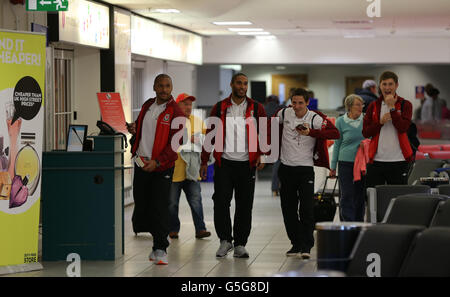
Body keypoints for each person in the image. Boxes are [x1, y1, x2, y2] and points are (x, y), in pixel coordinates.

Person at [200, 72, 266, 259]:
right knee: (220, 202)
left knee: (245, 205)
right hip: (225, 164)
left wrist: (262, 154)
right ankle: (225, 241)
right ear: (231, 84)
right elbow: (210, 134)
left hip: (247, 165)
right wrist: (204, 160)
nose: (242, 86)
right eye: (239, 83)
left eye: (245, 83)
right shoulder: (220, 107)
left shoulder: (256, 107)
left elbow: (264, 132)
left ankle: (240, 244)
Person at [274, 88, 339, 259]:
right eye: (294, 102)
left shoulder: (314, 118)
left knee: (306, 209)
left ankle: (306, 246)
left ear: (307, 103)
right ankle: (295, 243)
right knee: (287, 209)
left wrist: (311, 132)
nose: (296, 106)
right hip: (286, 169)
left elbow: (334, 133)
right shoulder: (284, 113)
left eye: (300, 103)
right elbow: (269, 125)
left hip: (305, 170)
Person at [127, 74, 185, 265]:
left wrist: (158, 162)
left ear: (171, 87)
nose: (164, 89)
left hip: (162, 167)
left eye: (167, 86)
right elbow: (143, 128)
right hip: (142, 164)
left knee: (160, 207)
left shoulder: (176, 112)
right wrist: (135, 129)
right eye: (160, 85)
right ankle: (158, 240)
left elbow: (174, 144)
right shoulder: (147, 105)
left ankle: (160, 248)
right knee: (143, 205)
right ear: (154, 87)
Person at [168, 93, 211, 240]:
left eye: (190, 104)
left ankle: (200, 229)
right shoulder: (172, 121)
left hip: (192, 167)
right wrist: (189, 139)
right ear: (177, 105)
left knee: (196, 200)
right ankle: (173, 229)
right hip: (175, 167)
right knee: (172, 202)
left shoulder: (198, 121)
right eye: (184, 104)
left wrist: (197, 139)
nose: (188, 107)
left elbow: (207, 139)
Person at [363, 71, 413, 188]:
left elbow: (403, 128)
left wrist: (392, 108)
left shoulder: (406, 104)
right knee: (374, 198)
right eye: (384, 84)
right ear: (380, 86)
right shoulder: (373, 105)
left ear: (396, 85)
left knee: (397, 197)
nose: (387, 87)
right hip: (376, 160)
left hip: (399, 160)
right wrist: (379, 123)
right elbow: (365, 132)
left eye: (390, 84)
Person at [330, 94, 366, 222]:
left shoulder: (366, 119)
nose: (361, 107)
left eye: (362, 104)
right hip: (345, 162)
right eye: (358, 104)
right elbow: (337, 144)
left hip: (362, 163)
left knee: (360, 194)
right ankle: (347, 222)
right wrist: (333, 166)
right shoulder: (340, 121)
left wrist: (366, 143)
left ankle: (358, 221)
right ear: (349, 107)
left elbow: (372, 138)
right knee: (346, 194)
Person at [264, 95, 283, 196]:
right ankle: (277, 188)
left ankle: (274, 189)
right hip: (278, 140)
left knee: (276, 164)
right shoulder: (281, 109)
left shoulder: (263, 109)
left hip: (266, 140)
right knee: (279, 164)